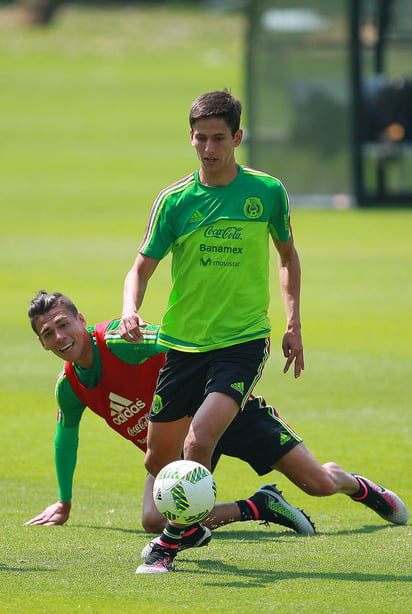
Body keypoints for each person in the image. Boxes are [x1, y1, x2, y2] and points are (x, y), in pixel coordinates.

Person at [118, 90, 407, 574]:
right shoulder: (174, 201)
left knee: (197, 441)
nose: (208, 148)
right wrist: (129, 309)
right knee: (158, 461)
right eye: (200, 138)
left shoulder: (266, 192)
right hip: (183, 347)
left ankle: (169, 546)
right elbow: (140, 268)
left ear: (238, 137)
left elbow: (287, 256)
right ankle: (352, 486)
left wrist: (293, 322)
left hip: (242, 342)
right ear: (190, 137)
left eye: (218, 139)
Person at [26, 291, 408, 566]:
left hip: (226, 412)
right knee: (154, 520)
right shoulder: (70, 387)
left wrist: (226, 384)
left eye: (63, 324)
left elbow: (187, 345)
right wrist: (64, 501)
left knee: (319, 485)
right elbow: (66, 439)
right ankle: (259, 506)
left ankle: (354, 484)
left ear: (80, 320)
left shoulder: (121, 342)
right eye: (48, 334)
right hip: (177, 442)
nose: (59, 337)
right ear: (42, 344)